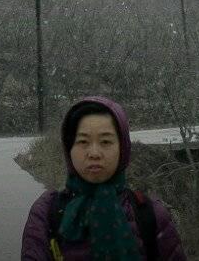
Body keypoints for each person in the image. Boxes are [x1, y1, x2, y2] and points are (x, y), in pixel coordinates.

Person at [20, 96, 186, 261]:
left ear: (122, 148)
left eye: (105, 142)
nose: (94, 153)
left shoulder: (149, 213)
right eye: (83, 141)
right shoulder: (47, 212)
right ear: (69, 149)